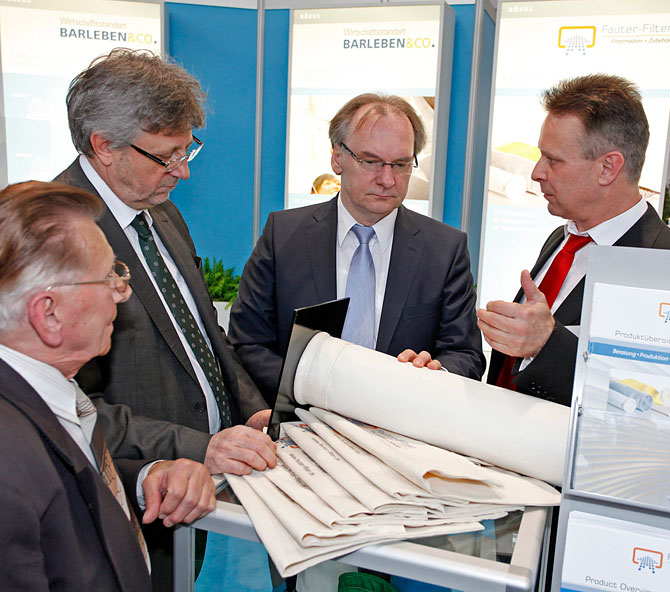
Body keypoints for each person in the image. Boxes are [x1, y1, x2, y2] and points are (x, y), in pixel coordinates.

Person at [53, 48, 276, 589]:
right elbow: (69, 405)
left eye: (187, 150)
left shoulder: (162, 210)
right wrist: (198, 446)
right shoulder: (58, 234)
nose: (183, 171)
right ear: (103, 146)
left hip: (202, 488)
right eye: (166, 156)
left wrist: (249, 411)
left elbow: (204, 333)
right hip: (134, 499)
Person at [0, 181, 217, 591]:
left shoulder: (47, 389)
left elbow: (74, 483)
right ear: (49, 314)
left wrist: (148, 475)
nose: (122, 293)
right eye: (107, 278)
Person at [229, 93, 485, 422]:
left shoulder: (445, 249)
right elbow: (248, 343)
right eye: (370, 161)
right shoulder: (284, 236)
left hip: (401, 430)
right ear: (337, 158)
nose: (387, 179)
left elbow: (465, 354)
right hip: (301, 425)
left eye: (401, 164)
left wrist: (433, 374)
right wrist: (316, 389)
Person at [479, 74, 670, 406]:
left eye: (553, 159)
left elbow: (661, 400)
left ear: (608, 167)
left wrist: (547, 344)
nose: (536, 172)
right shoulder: (562, 240)